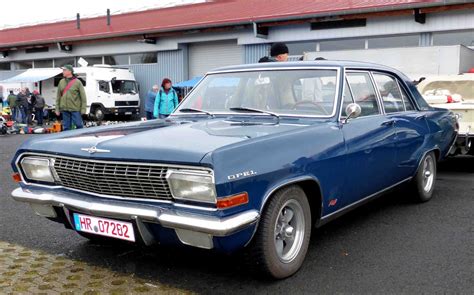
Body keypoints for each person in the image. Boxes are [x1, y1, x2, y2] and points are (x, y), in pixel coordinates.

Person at [55, 65, 87, 131]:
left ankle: (80, 139)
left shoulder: (78, 82)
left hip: (75, 109)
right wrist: (57, 109)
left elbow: (83, 97)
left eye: (64, 70)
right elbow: (58, 96)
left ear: (70, 71)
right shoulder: (61, 82)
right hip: (65, 109)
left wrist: (83, 109)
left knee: (79, 125)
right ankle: (67, 140)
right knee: (66, 127)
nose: (63, 72)